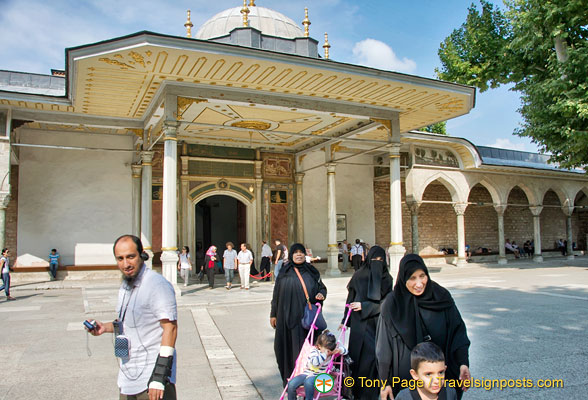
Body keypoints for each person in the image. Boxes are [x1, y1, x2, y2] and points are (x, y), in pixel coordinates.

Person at [86, 235, 177, 399]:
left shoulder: (157, 284)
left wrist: (159, 377)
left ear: (142, 255)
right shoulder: (126, 285)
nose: (125, 264)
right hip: (128, 376)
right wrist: (104, 327)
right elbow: (126, 322)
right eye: (120, 259)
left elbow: (170, 328)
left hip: (152, 379)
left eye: (130, 257)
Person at [376, 254, 471, 400]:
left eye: (422, 276)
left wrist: (463, 363)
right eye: (412, 278)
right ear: (403, 278)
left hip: (440, 379)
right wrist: (385, 382)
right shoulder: (392, 305)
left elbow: (458, 332)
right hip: (406, 380)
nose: (419, 284)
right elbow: (383, 348)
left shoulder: (441, 297)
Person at [270, 243, 327, 386]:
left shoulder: (312, 272)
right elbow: (276, 294)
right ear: (291, 255)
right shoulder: (284, 272)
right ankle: (289, 380)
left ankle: (304, 380)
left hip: (304, 321)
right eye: (295, 252)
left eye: (301, 252)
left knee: (304, 350)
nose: (299, 255)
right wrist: (273, 314)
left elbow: (322, 287)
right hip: (285, 319)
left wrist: (321, 294)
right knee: (283, 349)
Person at [340, 246, 392, 400]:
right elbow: (350, 298)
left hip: (378, 323)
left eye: (380, 260)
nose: (377, 263)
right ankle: (356, 392)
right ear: (368, 259)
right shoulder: (359, 275)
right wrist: (345, 320)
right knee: (358, 358)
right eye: (374, 259)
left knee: (373, 358)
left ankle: (372, 393)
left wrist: (366, 306)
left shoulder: (387, 279)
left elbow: (387, 303)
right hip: (358, 323)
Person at [286, 330, 347, 400]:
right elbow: (315, 363)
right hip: (307, 373)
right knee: (291, 384)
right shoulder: (314, 352)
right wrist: (324, 355)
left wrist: (340, 350)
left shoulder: (331, 353)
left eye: (330, 350)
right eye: (326, 350)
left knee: (308, 382)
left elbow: (346, 351)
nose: (328, 351)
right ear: (319, 346)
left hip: (320, 375)